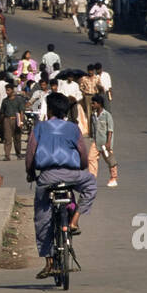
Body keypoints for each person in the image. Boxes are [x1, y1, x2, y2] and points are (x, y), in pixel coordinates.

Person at [25, 92, 98, 280]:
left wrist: (31, 173)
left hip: (47, 176)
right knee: (91, 184)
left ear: (49, 109)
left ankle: (48, 262)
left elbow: (30, 154)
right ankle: (74, 221)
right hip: (72, 174)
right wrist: (80, 169)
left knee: (42, 217)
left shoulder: (39, 128)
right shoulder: (73, 129)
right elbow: (82, 153)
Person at [90, 92, 118, 188]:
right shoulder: (93, 115)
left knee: (110, 160)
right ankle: (92, 179)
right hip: (96, 141)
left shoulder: (107, 115)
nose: (92, 105)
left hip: (105, 142)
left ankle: (113, 178)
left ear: (99, 104)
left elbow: (110, 130)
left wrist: (108, 143)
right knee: (91, 158)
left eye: (94, 103)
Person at [0, 82, 26, 160]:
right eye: (6, 90)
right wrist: (1, 122)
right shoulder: (5, 101)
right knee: (7, 138)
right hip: (7, 120)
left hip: (16, 119)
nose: (7, 92)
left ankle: (18, 154)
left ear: (12, 90)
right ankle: (7, 155)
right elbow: (2, 112)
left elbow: (21, 111)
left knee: (17, 138)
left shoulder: (18, 100)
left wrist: (21, 122)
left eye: (8, 90)